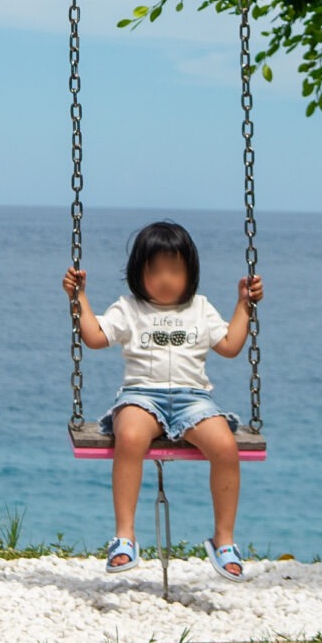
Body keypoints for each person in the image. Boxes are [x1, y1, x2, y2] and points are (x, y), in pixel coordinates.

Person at [63, 218, 264, 579]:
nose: (165, 279)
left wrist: (244, 305)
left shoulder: (200, 309)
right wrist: (78, 296)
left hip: (193, 399)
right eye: (155, 270)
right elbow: (94, 337)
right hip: (142, 397)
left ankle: (224, 540)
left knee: (225, 446)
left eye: (175, 270)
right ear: (138, 273)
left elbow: (231, 346)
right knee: (129, 437)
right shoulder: (129, 309)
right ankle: (124, 537)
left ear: (191, 273)